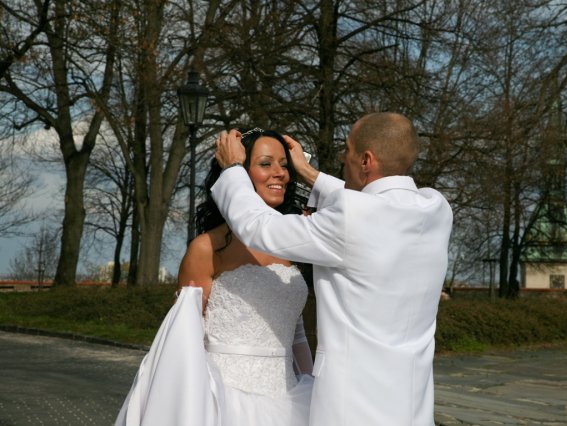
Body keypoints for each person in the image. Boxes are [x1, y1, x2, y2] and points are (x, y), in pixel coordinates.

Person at [213, 112, 453, 426]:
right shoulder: (436, 208)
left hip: (351, 407)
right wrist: (310, 174)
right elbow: (375, 204)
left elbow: (259, 227)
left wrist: (233, 169)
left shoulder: (352, 217)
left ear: (366, 160)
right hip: (413, 406)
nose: (342, 157)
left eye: (347, 150)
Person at [116, 128, 314, 426]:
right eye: (265, 163)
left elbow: (296, 333)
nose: (280, 173)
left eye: (284, 165)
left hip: (291, 403)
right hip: (225, 402)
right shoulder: (207, 248)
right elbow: (185, 337)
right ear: (237, 173)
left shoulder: (294, 242)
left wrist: (313, 388)